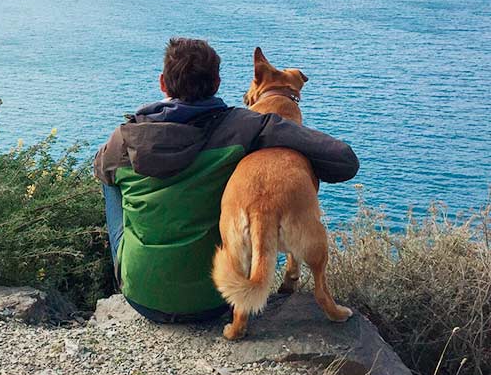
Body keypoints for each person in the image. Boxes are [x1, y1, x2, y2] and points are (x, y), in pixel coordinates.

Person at [93, 37, 359, 323]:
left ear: (162, 84)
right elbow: (344, 162)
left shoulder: (125, 137)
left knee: (108, 177)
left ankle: (146, 266)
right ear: (218, 83)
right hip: (218, 297)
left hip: (141, 297)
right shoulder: (245, 127)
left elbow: (99, 169)